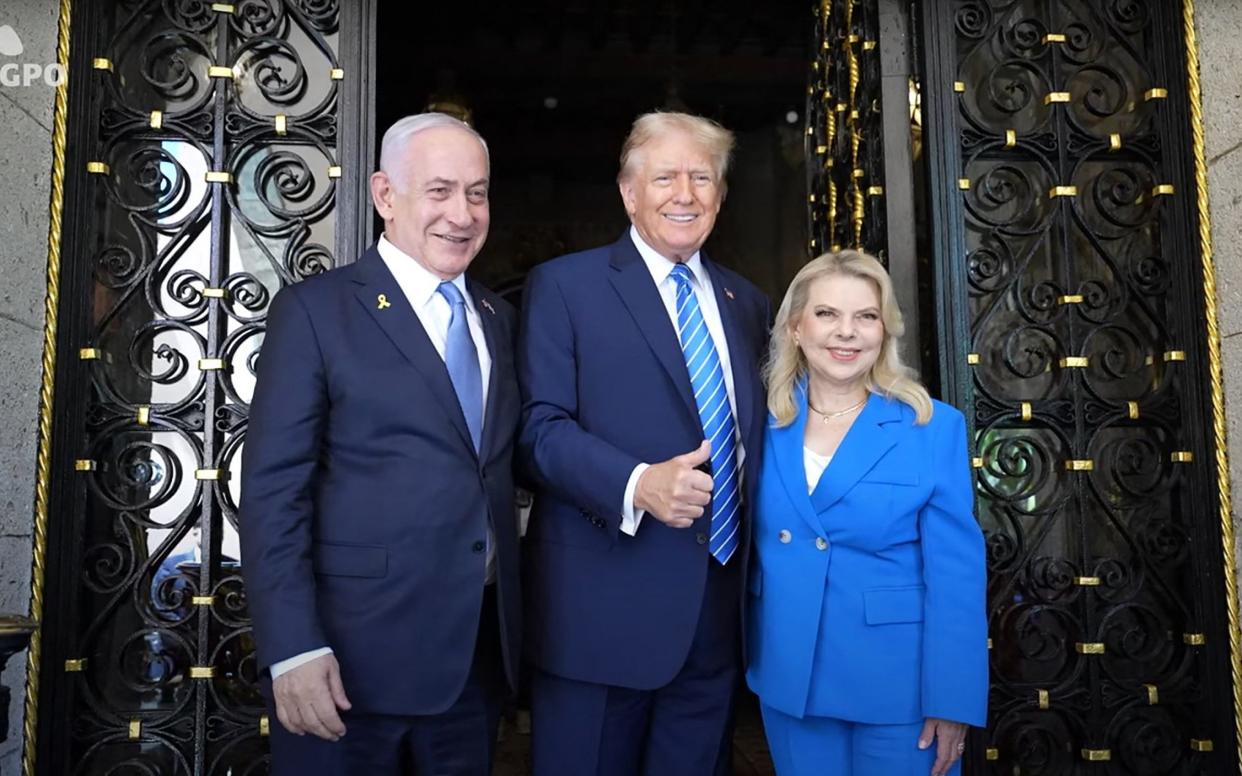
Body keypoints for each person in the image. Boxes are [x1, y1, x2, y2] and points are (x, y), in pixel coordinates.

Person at [239, 112, 522, 775]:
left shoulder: (496, 317)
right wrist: (293, 647)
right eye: (440, 190)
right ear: (385, 196)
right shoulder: (316, 311)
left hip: (473, 665)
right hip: (345, 668)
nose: (462, 212)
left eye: (477, 193)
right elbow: (274, 491)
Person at [518, 111, 771, 775]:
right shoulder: (565, 287)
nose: (684, 194)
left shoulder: (748, 303)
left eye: (702, 177)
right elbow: (538, 430)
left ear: (720, 194)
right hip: (599, 616)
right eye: (665, 177)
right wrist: (636, 483)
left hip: (714, 623)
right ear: (629, 193)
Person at [745, 250, 987, 776]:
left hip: (899, 686)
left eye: (866, 316)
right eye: (827, 314)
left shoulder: (931, 426)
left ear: (885, 331)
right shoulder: (757, 424)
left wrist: (953, 697)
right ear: (795, 328)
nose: (846, 333)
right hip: (791, 676)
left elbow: (957, 577)